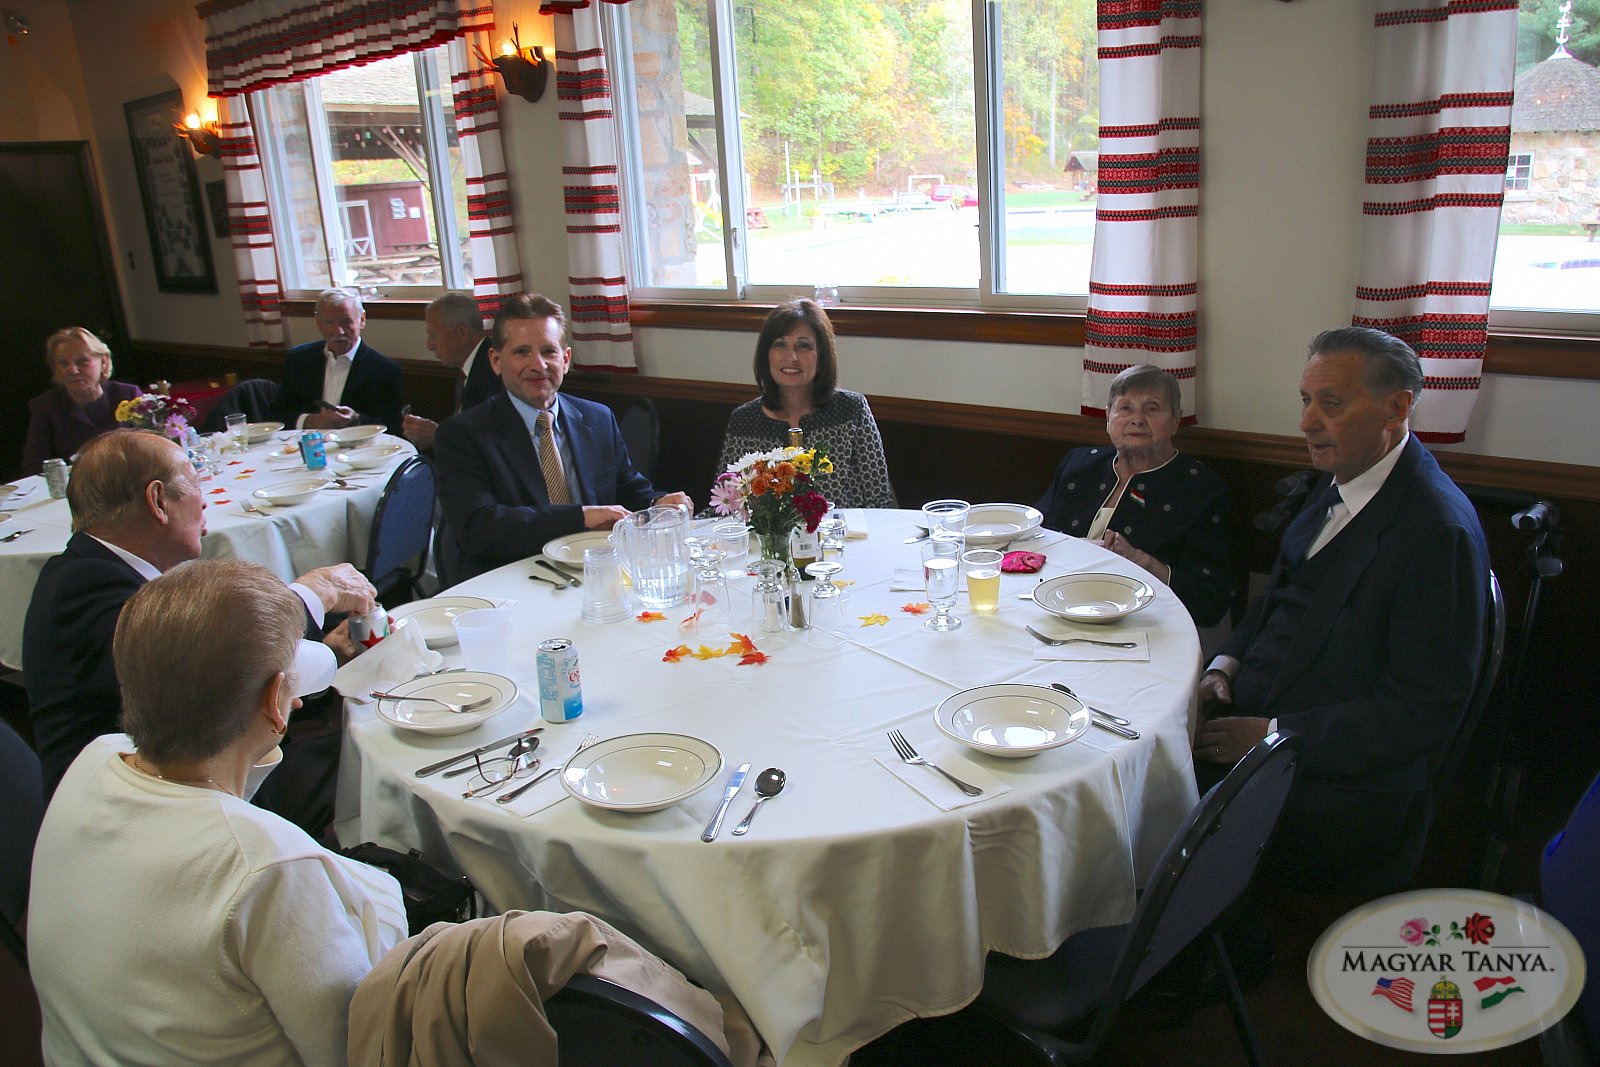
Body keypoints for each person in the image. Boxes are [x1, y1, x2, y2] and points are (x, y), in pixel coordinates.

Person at [29, 558, 408, 1066]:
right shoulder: (269, 867)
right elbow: (359, 1046)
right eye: (291, 689)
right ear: (277, 701)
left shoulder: (95, 759)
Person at [1194, 327, 1489, 894]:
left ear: (1396, 408)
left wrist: (1272, 737)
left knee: (1145, 810)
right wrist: (1224, 667)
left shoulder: (1436, 533)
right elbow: (1276, 600)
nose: (1306, 422)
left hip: (1339, 780)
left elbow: (1422, 711)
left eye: (1331, 403)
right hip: (1264, 717)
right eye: (1306, 400)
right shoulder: (1335, 483)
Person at [22, 429, 375, 798]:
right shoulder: (85, 589)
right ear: (158, 500)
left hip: (168, 775)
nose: (204, 502)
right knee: (355, 761)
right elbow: (198, 665)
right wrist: (316, 593)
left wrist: (317, 654)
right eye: (194, 483)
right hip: (136, 806)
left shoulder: (89, 570)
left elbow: (209, 668)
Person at [435, 293, 692, 583]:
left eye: (549, 351)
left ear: (566, 359)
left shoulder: (597, 418)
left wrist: (658, 505)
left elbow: (628, 490)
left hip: (600, 573)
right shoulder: (463, 434)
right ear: (495, 360)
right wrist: (579, 517)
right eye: (522, 352)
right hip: (517, 580)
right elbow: (478, 529)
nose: (539, 365)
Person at [1034, 364, 1231, 626]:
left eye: (1152, 409)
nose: (1137, 419)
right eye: (1125, 408)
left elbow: (1210, 601)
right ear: (1108, 417)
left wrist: (1143, 562)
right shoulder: (1078, 465)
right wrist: (1073, 548)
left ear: (1175, 420)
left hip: (1144, 622)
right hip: (1053, 604)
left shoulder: (1201, 489)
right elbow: (1033, 539)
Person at [715, 298, 895, 508]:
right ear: (767, 356)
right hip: (768, 540)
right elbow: (724, 504)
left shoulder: (851, 410)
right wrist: (679, 510)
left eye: (803, 346)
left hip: (843, 537)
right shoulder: (744, 420)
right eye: (780, 345)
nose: (791, 357)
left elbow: (880, 499)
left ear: (821, 357)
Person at [269, 287, 404, 431]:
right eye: (329, 322)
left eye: (346, 322)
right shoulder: (299, 359)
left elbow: (394, 425)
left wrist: (357, 420)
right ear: (318, 323)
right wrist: (310, 421)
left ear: (362, 320)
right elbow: (276, 414)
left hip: (359, 449)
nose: (338, 331)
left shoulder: (384, 369)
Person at [20, 327, 140, 477]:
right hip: (78, 487)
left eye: (82, 362)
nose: (73, 370)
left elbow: (152, 448)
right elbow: (34, 464)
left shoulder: (127, 394)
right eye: (63, 364)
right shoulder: (46, 405)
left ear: (103, 362)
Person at [402, 292, 501, 450]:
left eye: (433, 335)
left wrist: (438, 435)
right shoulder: (474, 364)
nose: (429, 345)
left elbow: (489, 445)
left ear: (462, 333)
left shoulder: (492, 372)